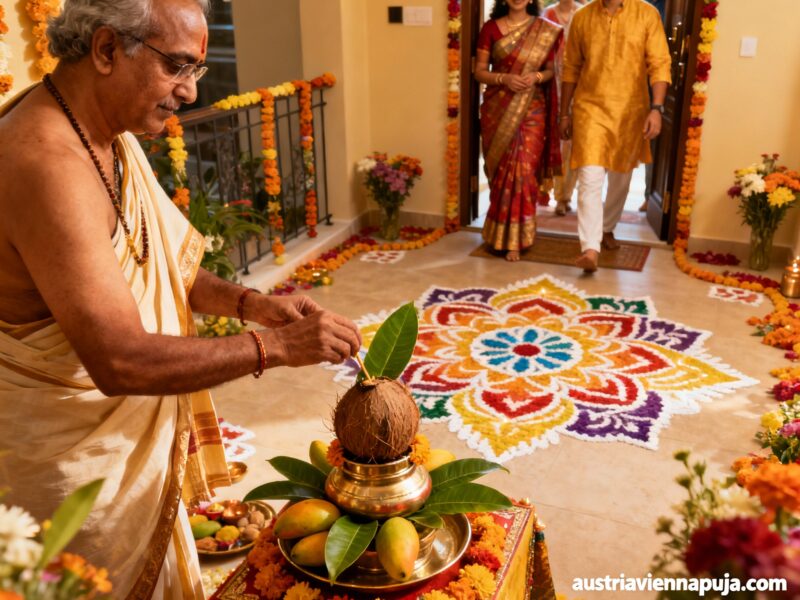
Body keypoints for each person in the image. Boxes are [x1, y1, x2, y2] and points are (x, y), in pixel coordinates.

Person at [0, 0, 361, 596]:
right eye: (178, 68)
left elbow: (166, 264)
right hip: (74, 477)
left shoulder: (106, 133)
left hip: (118, 463)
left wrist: (253, 305)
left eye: (196, 71)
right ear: (108, 49)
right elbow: (119, 361)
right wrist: (276, 346)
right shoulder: (45, 164)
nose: (190, 92)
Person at [559, 0, 671, 272]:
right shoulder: (582, 17)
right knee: (590, 176)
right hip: (589, 108)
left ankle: (607, 227)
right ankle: (590, 248)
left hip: (630, 110)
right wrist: (565, 113)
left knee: (620, 177)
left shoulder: (647, 14)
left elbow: (659, 64)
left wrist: (656, 109)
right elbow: (571, 66)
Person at [475, 0, 562, 262]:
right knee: (502, 172)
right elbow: (479, 71)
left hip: (532, 109)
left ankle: (518, 239)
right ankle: (497, 235)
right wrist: (504, 78)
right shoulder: (490, 28)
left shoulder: (545, 29)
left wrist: (534, 77)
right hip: (497, 109)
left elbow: (549, 71)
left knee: (523, 170)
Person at [542, 0, 582, 216]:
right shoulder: (548, 13)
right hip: (553, 85)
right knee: (557, 141)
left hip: (579, 85)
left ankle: (568, 194)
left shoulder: (584, 12)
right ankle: (558, 196)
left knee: (574, 141)